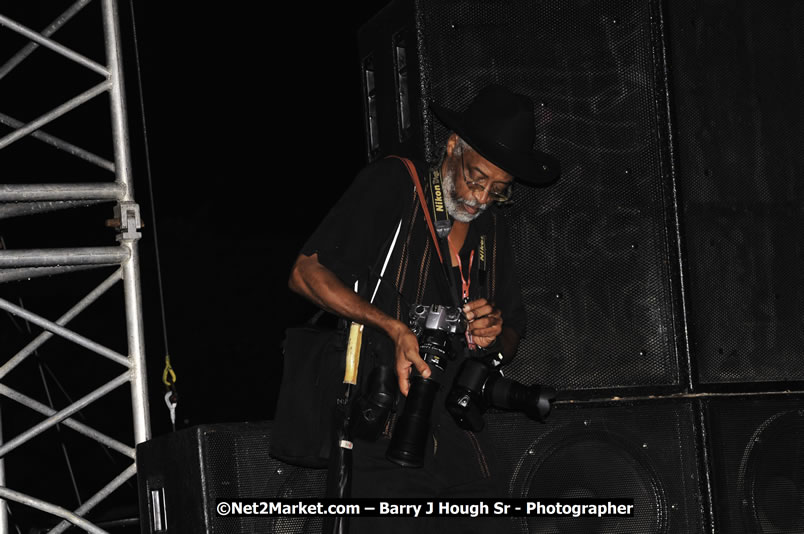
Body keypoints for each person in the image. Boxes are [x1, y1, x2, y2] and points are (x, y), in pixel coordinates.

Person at [288, 84, 560, 533]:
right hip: (383, 428)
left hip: (460, 434)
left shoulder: (492, 226)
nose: (480, 198)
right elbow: (305, 274)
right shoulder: (395, 184)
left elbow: (513, 328)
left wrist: (495, 335)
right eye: (475, 178)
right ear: (453, 147)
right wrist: (392, 328)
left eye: (498, 189)